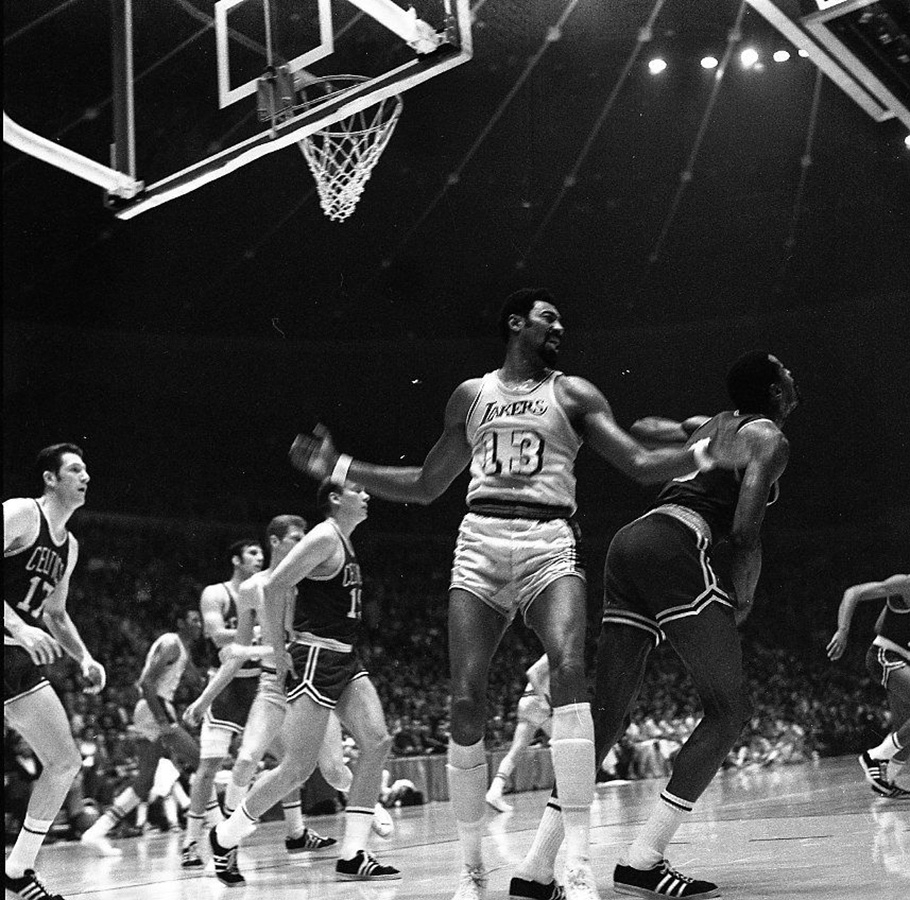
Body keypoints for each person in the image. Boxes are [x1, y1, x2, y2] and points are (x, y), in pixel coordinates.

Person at [287, 288, 737, 900]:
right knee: (465, 700)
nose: (560, 326)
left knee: (569, 669)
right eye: (549, 317)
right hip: (481, 541)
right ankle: (472, 869)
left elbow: (636, 462)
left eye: (562, 320)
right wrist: (339, 466)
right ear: (516, 323)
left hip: (549, 540)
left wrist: (707, 452)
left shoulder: (574, 394)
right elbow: (425, 484)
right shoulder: (471, 396)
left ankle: (575, 863)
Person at [515, 349, 800, 900]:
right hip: (677, 544)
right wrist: (744, 594)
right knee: (730, 710)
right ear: (774, 391)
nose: (793, 375)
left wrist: (690, 433)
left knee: (607, 715)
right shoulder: (770, 438)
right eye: (785, 371)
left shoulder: (714, 424)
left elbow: (645, 425)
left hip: (630, 542)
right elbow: (745, 531)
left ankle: (534, 869)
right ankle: (644, 858)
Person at [209, 478, 400, 886]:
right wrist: (278, 650)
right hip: (315, 656)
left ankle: (353, 854)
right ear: (335, 499)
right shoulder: (324, 537)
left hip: (345, 655)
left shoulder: (344, 540)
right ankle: (224, 837)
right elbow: (274, 585)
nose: (367, 495)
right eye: (358, 490)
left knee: (378, 741)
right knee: (297, 768)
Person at [182, 515, 345, 865]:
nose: (257, 558)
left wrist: (261, 644)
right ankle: (199, 842)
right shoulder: (226, 592)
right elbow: (223, 641)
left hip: (287, 679)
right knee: (222, 764)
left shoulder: (305, 581)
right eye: (252, 553)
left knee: (303, 765)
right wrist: (205, 697)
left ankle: (298, 831)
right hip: (247, 682)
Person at [4, 443, 106, 900]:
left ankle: (17, 869)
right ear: (50, 478)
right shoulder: (21, 513)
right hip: (11, 641)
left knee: (64, 761)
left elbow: (56, 614)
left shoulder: (70, 545)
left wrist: (84, 657)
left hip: (13, 656)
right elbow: (32, 622)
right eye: (75, 469)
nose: (86, 477)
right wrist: (18, 627)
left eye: (86, 470)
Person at [80, 606, 205, 856]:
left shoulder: (181, 647)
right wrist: (162, 719)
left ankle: (95, 832)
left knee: (144, 782)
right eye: (193, 620)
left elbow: (196, 679)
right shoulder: (171, 644)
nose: (199, 624)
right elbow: (146, 682)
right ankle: (216, 825)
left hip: (150, 708)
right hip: (154, 706)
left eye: (200, 621)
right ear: (180, 623)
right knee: (202, 763)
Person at [827, 574, 910, 799]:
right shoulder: (906, 584)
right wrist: (843, 630)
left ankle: (886, 780)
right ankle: (874, 757)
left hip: (904, 660)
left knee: (905, 731)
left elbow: (878, 625)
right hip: (886, 655)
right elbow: (854, 592)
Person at [486, 653, 553, 813]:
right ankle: (573, 791)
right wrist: (543, 699)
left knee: (515, 752)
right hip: (536, 703)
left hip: (528, 702)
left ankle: (495, 791)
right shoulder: (553, 653)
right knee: (563, 744)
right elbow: (532, 672)